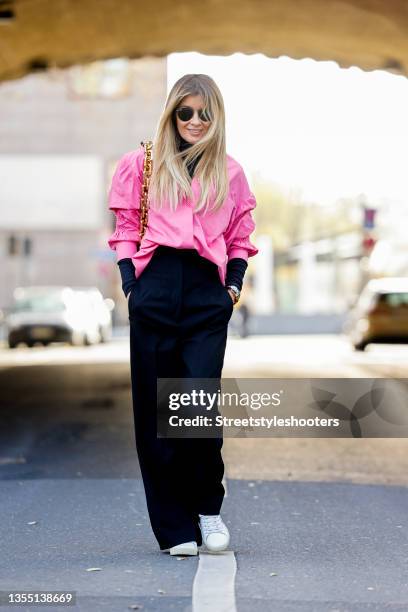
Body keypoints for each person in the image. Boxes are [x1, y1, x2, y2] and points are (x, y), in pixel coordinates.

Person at [107, 74, 258, 556]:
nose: (195, 121)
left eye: (204, 113)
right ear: (172, 115)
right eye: (185, 112)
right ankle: (174, 529)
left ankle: (208, 511)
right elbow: (126, 226)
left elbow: (240, 235)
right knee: (155, 413)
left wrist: (232, 286)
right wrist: (132, 286)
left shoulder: (230, 173)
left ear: (217, 119)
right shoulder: (141, 165)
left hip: (204, 293)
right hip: (154, 287)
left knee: (196, 405)